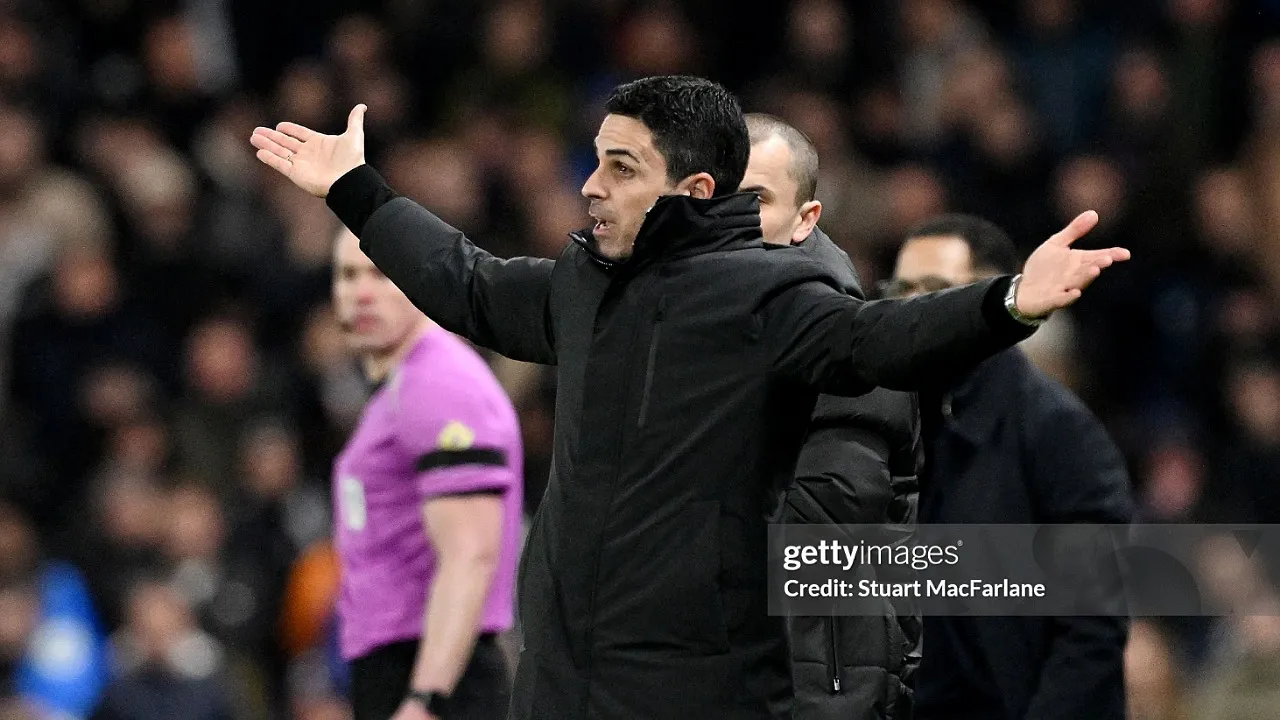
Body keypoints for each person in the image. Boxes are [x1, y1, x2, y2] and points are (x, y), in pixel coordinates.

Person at [250, 75, 1129, 720]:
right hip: (559, 684)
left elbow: (882, 344)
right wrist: (355, 191)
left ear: (694, 190)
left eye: (621, 168)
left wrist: (1010, 300)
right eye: (595, 161)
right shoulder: (583, 287)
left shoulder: (771, 302)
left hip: (697, 692)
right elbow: (468, 284)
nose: (591, 185)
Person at [882, 214, 1135, 720]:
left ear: (998, 297)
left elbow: (1090, 631)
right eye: (900, 289)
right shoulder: (886, 423)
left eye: (935, 289)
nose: (913, 308)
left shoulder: (1057, 431)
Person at [742, 113, 921, 719]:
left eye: (757, 199)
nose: (733, 220)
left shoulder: (869, 361)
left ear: (805, 219)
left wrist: (892, 687)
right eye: (716, 197)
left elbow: (901, 547)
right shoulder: (651, 350)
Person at [329, 227, 524, 720]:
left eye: (382, 273)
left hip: (433, 671)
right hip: (399, 661)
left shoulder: (439, 384)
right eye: (348, 275)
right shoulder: (406, 383)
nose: (361, 292)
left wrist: (425, 697)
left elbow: (470, 555)